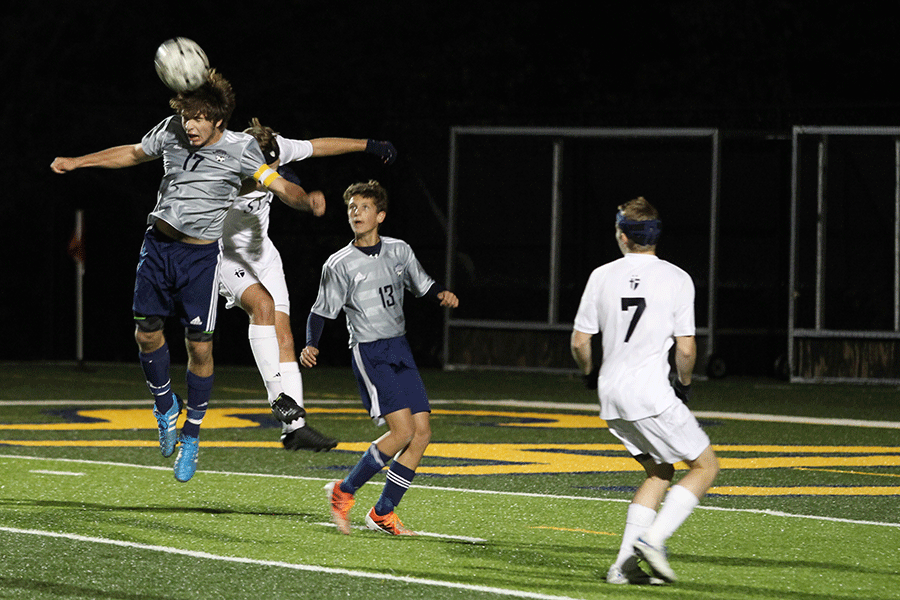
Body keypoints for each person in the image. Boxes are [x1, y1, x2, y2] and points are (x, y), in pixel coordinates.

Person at [50, 70, 325, 483]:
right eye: (186, 116)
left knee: (199, 349)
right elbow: (132, 152)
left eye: (198, 118)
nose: (190, 126)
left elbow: (280, 185)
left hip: (200, 260)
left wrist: (307, 200)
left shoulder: (242, 147)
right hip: (157, 247)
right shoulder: (171, 132)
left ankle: (192, 436)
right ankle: (165, 407)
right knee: (146, 334)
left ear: (219, 120)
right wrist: (78, 161)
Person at [221, 118, 397, 451]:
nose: (273, 169)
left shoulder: (271, 148)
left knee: (285, 333)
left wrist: (368, 144)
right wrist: (295, 195)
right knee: (262, 307)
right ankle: (278, 398)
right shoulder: (227, 165)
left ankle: (295, 429)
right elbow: (280, 187)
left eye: (275, 163)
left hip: (262, 252)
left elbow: (318, 146)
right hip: (225, 254)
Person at [570, 197, 719, 584]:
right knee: (705, 467)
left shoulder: (601, 275)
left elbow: (580, 342)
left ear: (622, 235)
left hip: (611, 397)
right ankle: (653, 539)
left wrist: (589, 374)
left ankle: (623, 567)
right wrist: (684, 385)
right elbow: (686, 348)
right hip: (650, 393)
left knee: (659, 471)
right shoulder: (675, 277)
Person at [300, 180, 458, 536]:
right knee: (401, 431)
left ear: (380, 215)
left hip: (399, 347)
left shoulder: (399, 250)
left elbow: (422, 284)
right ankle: (344, 491)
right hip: (370, 351)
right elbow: (321, 311)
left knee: (421, 434)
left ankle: (383, 512)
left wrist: (441, 295)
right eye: (352, 208)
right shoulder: (338, 263)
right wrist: (312, 343)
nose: (356, 213)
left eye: (364, 207)